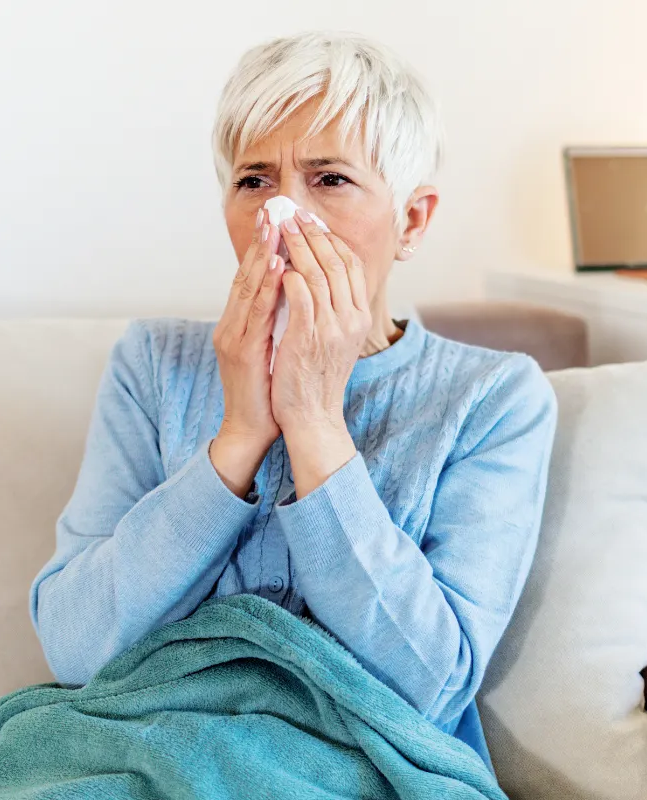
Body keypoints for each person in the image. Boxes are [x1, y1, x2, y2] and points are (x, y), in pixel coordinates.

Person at [29, 31, 557, 769]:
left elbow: (433, 682)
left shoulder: (492, 400)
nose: (281, 215)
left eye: (329, 178)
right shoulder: (152, 365)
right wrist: (240, 435)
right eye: (254, 181)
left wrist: (313, 423)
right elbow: (76, 645)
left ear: (412, 220)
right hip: (138, 754)